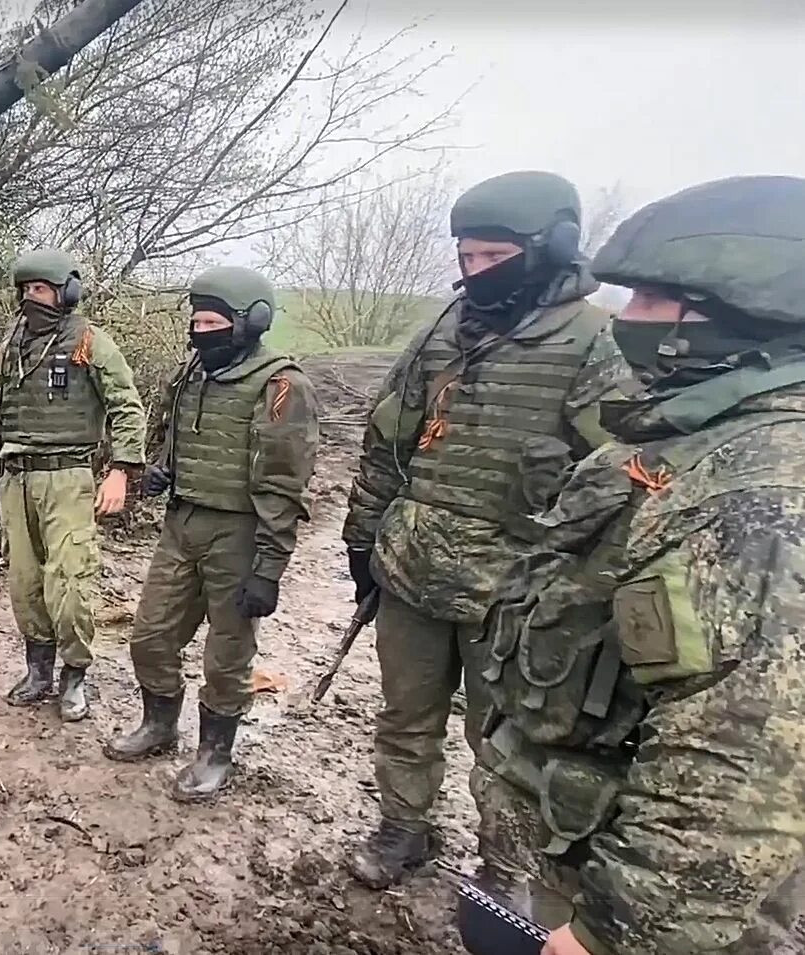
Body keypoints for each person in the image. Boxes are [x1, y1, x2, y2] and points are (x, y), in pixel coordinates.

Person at [470, 174, 805, 955]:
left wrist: (612, 931)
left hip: (618, 898)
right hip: (564, 837)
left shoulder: (762, 495)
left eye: (653, 300)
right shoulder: (680, 436)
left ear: (743, 311)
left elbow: (736, 765)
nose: (628, 319)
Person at [340, 171, 626, 888]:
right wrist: (362, 536)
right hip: (411, 570)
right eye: (464, 258)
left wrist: (581, 597)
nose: (474, 274)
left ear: (551, 248)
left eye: (491, 258)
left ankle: (506, 871)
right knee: (405, 716)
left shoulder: (596, 345)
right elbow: (386, 438)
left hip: (516, 594)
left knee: (506, 744)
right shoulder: (443, 330)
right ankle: (404, 829)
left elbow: (620, 482)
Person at [103, 266, 319, 802]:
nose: (201, 330)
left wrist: (268, 569)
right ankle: (159, 724)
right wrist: (161, 468)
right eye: (196, 320)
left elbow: (284, 483)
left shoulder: (281, 386)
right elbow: (177, 436)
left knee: (227, 653)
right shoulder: (193, 373)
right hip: (182, 524)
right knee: (150, 635)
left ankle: (215, 753)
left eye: (213, 321)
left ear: (251, 322)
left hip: (240, 534)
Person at [0, 249, 146, 721]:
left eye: (40, 290)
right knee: (24, 582)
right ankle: (38, 670)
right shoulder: (11, 346)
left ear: (66, 292)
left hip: (67, 478)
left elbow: (126, 406)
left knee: (69, 583)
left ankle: (74, 676)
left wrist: (121, 470)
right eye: (24, 291)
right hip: (16, 477)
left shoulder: (89, 342)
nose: (30, 299)